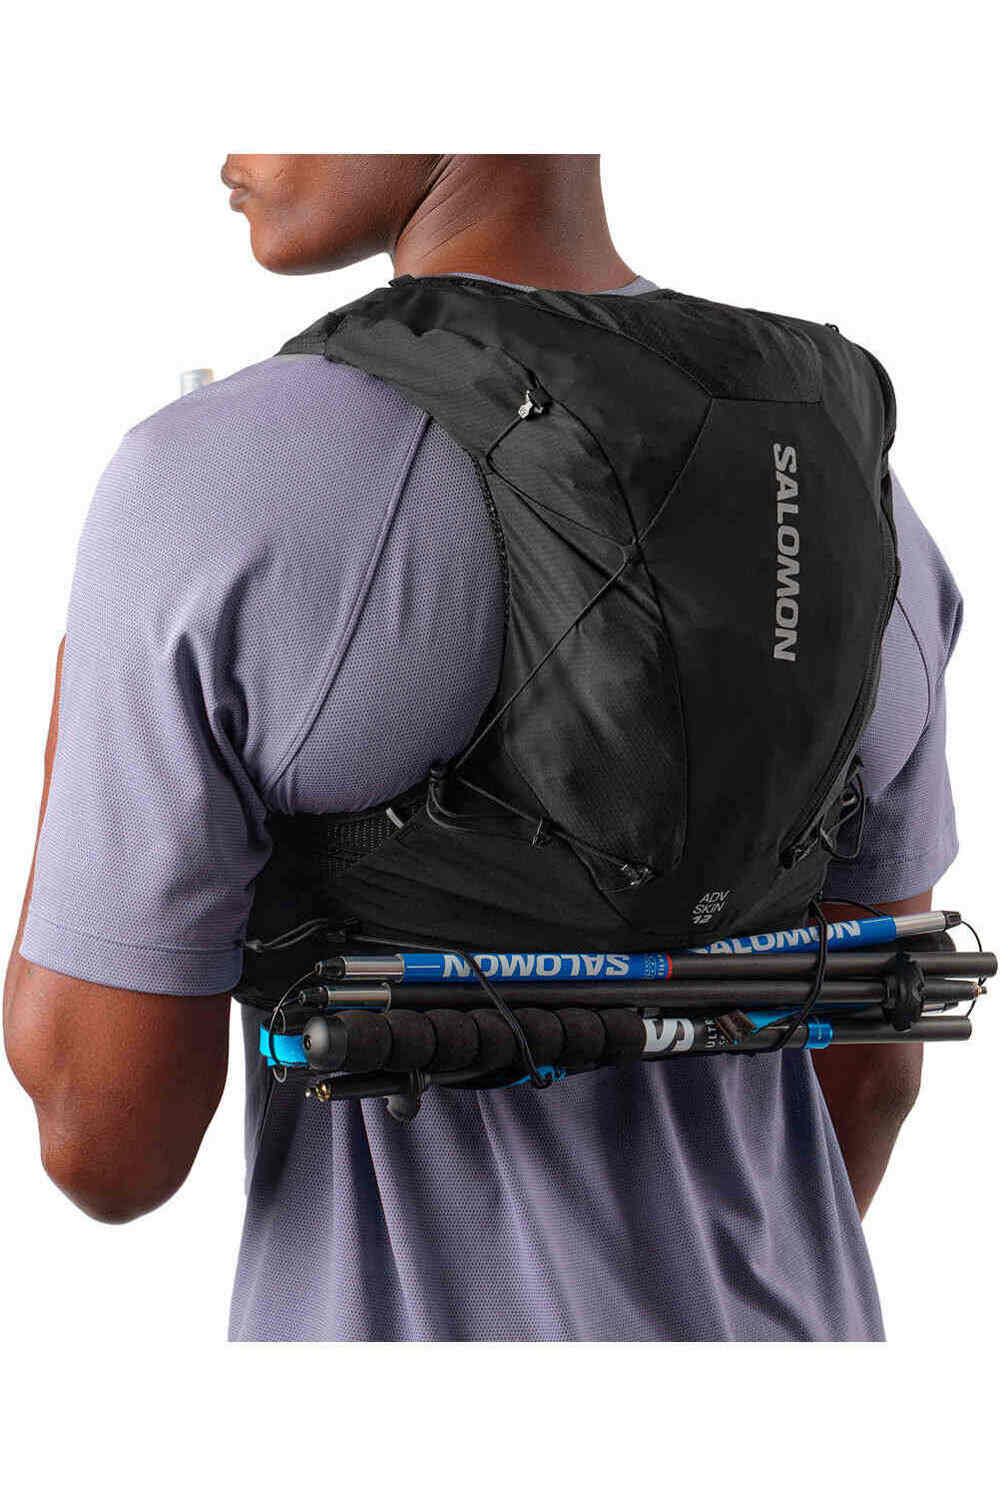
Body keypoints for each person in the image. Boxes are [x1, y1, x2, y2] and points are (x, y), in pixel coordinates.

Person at [4, 155, 962, 1340]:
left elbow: (106, 1143)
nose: (231, 151)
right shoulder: (857, 494)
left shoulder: (213, 477)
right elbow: (874, 1070)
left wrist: (84, 692)